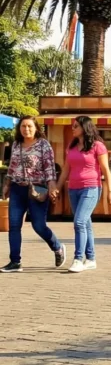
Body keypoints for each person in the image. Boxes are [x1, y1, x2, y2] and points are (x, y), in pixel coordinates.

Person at [1, 116, 66, 273]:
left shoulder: (44, 145)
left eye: (29, 126)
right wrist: (7, 185)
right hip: (17, 189)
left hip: (37, 189)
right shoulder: (17, 144)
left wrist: (52, 187)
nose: (26, 129)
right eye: (23, 126)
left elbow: (49, 168)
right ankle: (15, 261)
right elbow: (12, 167)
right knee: (14, 226)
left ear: (36, 128)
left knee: (39, 226)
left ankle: (57, 247)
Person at [53, 115, 111, 273]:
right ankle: (91, 258)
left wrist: (110, 191)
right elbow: (66, 169)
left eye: (76, 126)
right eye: (73, 126)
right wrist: (58, 187)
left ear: (84, 128)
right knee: (85, 224)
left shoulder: (97, 146)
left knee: (79, 222)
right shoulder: (72, 146)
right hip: (73, 189)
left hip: (91, 188)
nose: (73, 128)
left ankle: (78, 259)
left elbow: (105, 169)